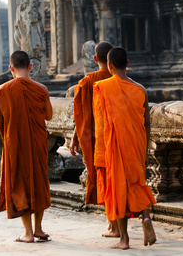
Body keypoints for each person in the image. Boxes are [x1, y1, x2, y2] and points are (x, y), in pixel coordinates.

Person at [93, 47, 157, 250]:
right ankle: (146, 216)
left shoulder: (102, 87)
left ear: (109, 66)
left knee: (118, 189)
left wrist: (101, 153)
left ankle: (124, 239)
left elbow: (101, 124)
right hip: (136, 144)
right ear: (127, 64)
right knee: (137, 181)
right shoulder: (140, 89)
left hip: (114, 145)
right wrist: (146, 150)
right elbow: (147, 123)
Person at [0, 50, 53, 243]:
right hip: (38, 143)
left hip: (15, 144)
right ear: (30, 67)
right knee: (39, 182)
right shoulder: (41, 89)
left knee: (21, 184)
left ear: (11, 68)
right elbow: (48, 116)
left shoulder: (2, 91)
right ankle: (39, 229)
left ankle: (28, 233)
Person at [69, 41, 120, 237]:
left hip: (96, 139)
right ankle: (118, 220)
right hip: (118, 137)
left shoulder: (87, 82)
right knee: (117, 178)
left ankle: (112, 221)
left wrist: (75, 138)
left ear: (94, 59)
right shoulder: (122, 81)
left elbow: (81, 115)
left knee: (103, 179)